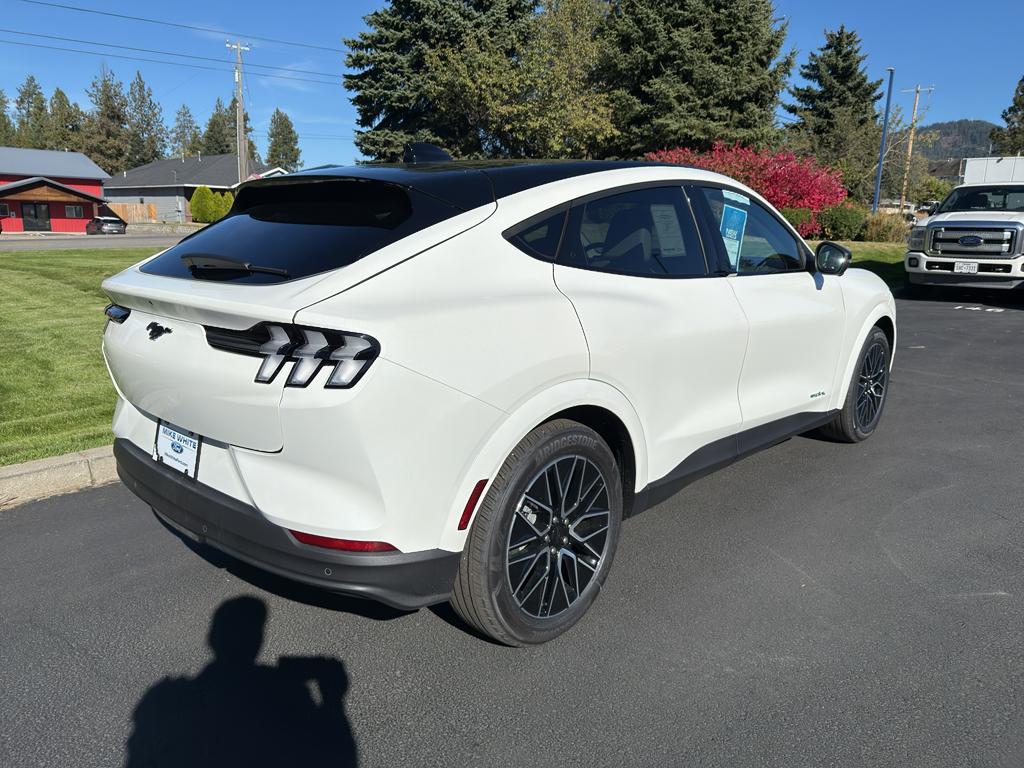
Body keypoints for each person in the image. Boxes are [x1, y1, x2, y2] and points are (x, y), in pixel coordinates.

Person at [125, 597, 357, 767]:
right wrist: (333, 698)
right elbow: (333, 754)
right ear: (257, 639)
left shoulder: (168, 699)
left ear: (212, 639)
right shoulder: (281, 691)